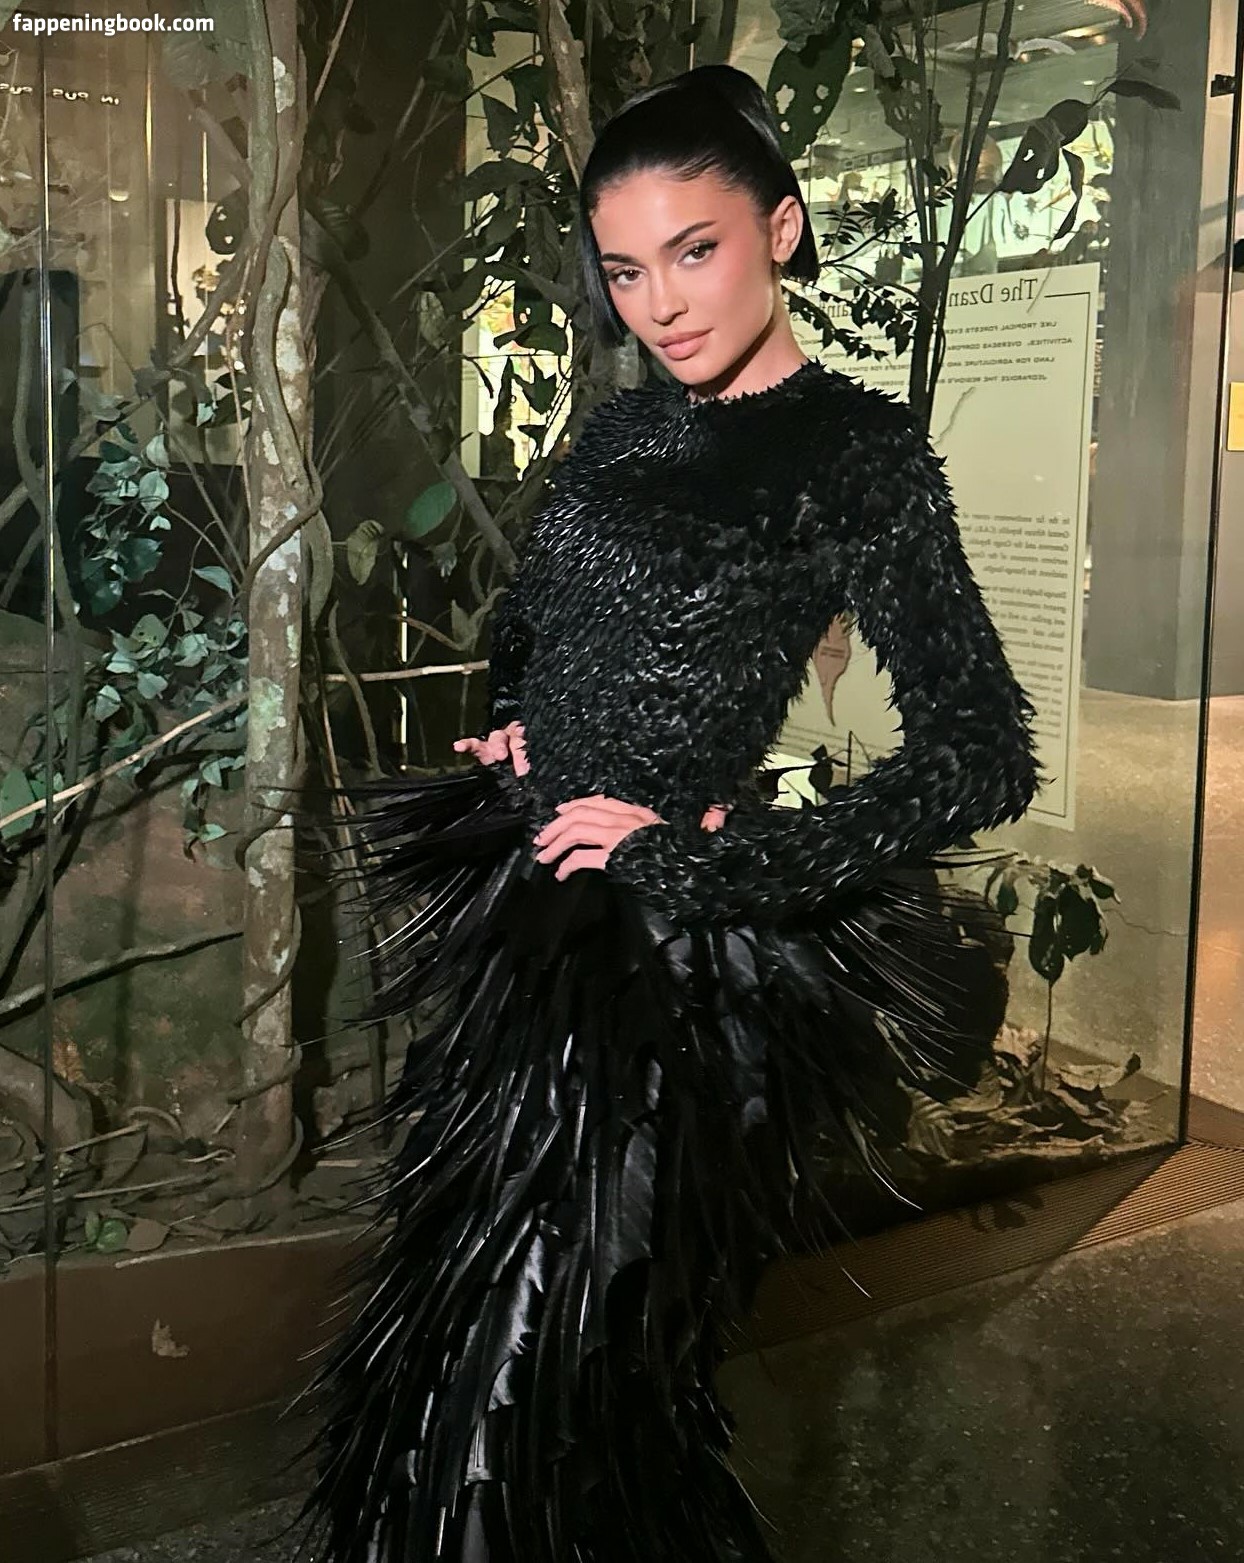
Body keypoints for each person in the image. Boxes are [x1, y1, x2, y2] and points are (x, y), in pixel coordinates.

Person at [294, 63, 1041, 1563]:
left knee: (569, 1362)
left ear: (782, 227)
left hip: (671, 976)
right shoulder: (621, 434)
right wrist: (518, 719)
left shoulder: (858, 455)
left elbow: (982, 755)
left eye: (694, 250)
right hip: (533, 922)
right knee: (450, 1326)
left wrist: (729, 860)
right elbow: (535, 629)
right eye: (627, 270)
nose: (661, 303)